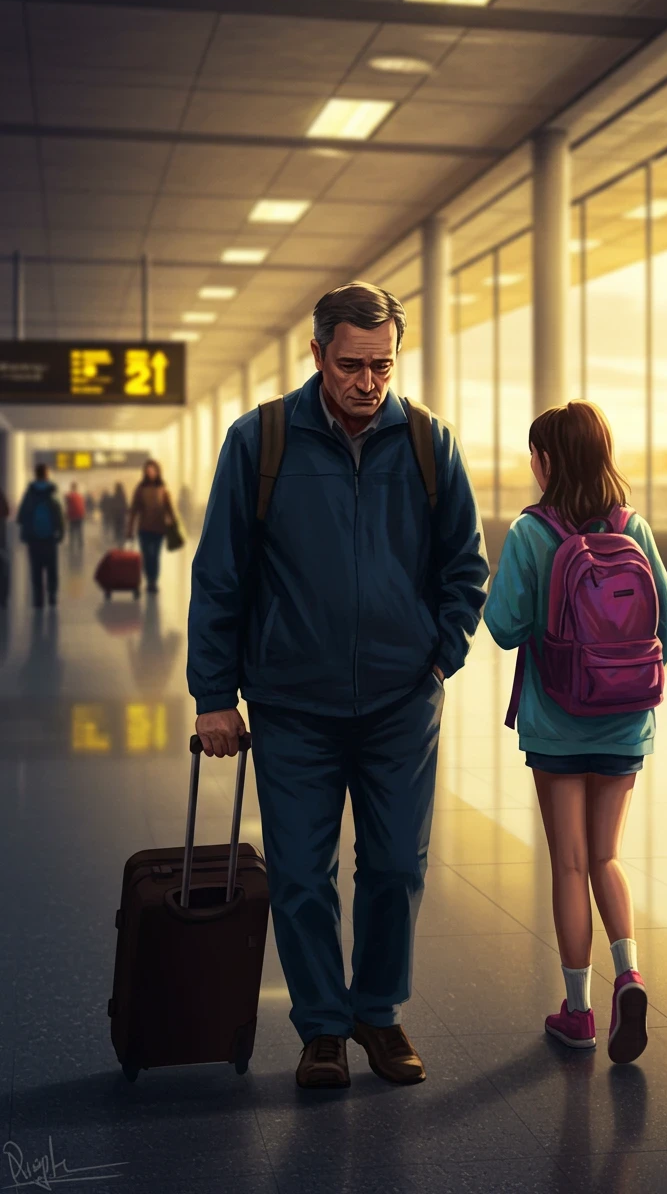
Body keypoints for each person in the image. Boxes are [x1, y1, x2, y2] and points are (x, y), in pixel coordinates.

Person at [188, 281, 489, 1091]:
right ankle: (322, 1026)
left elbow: (468, 567)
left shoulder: (430, 443)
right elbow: (220, 575)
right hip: (291, 704)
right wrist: (214, 694)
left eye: (382, 365)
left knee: (396, 865)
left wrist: (439, 658)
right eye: (351, 364)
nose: (367, 381)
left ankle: (378, 1014)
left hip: (400, 702)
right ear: (318, 354)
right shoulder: (262, 440)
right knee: (299, 873)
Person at [483, 401, 667, 1065]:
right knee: (607, 856)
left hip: (558, 723)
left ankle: (579, 1010)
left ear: (546, 461)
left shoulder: (531, 534)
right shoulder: (635, 527)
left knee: (569, 861)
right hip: (626, 722)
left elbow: (505, 627)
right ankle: (630, 973)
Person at [17, 463, 65, 608]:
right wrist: (61, 531)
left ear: (36, 474)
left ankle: (38, 598)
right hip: (50, 537)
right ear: (46, 474)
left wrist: (25, 532)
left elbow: (21, 516)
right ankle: (52, 595)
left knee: (36, 569)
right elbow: (60, 514)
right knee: (52, 568)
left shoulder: (29, 493)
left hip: (34, 538)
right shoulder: (53, 491)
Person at [127, 462, 175, 593]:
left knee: (155, 555)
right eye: (148, 470)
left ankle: (153, 581)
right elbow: (134, 509)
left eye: (153, 470)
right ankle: (149, 579)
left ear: (158, 472)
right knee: (147, 555)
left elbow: (168, 507)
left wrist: (173, 523)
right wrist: (130, 528)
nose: (151, 473)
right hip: (144, 528)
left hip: (159, 528)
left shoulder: (162, 489)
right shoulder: (140, 488)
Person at [64, 481, 86, 554]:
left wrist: (66, 516)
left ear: (71, 487)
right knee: (79, 530)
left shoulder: (69, 496)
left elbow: (67, 505)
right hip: (80, 515)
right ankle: (80, 544)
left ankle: (71, 544)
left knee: (72, 531)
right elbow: (82, 506)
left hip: (72, 516)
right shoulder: (80, 496)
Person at [109, 482, 129, 547]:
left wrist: (112, 515)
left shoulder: (115, 496)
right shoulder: (123, 496)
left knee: (117, 529)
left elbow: (112, 507)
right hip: (122, 516)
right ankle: (122, 542)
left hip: (116, 516)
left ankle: (118, 542)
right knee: (122, 529)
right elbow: (125, 506)